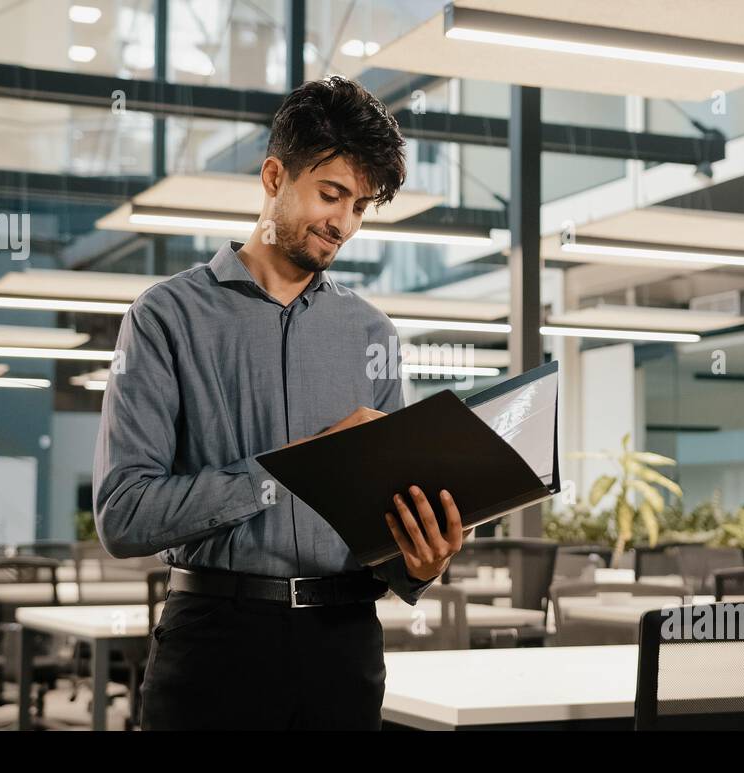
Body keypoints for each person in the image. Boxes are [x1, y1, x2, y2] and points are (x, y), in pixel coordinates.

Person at [92, 76, 469, 730]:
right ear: (274, 176)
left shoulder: (372, 334)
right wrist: (295, 467)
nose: (344, 223)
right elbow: (123, 514)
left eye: (360, 205)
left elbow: (383, 530)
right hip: (215, 646)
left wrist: (420, 563)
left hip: (344, 649)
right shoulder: (165, 317)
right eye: (331, 194)